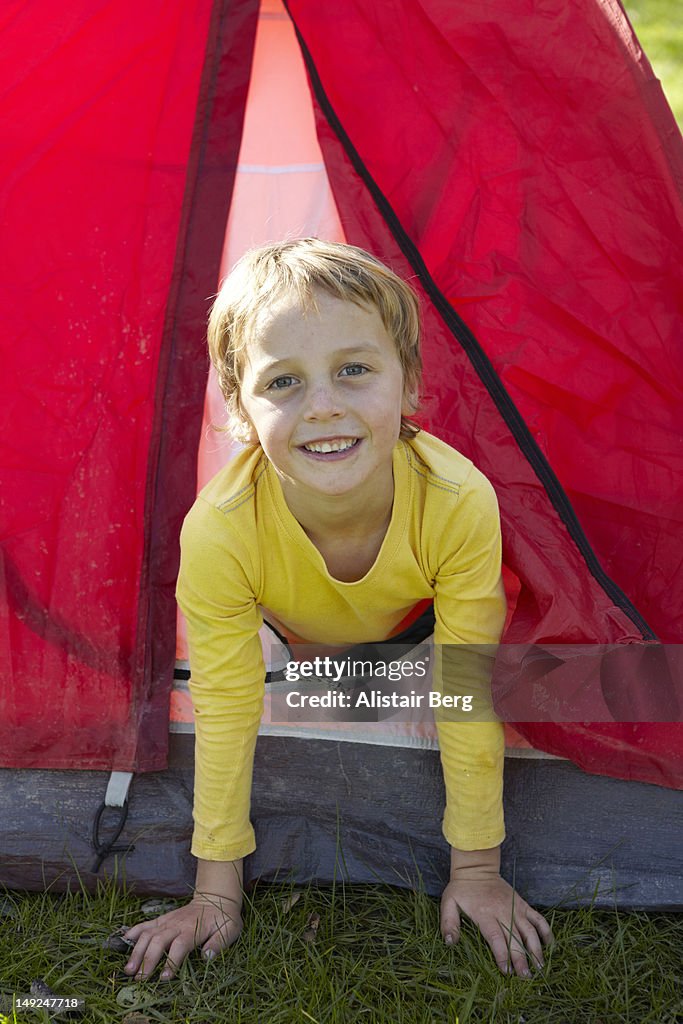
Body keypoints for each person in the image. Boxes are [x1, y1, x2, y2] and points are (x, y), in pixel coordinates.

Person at [122, 238, 553, 981]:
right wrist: (214, 893)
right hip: (286, 630)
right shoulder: (221, 527)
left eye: (353, 370)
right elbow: (225, 701)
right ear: (241, 413)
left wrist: (477, 868)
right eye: (283, 382)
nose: (322, 405)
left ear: (408, 382)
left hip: (411, 631)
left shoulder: (457, 502)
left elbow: (463, 688)